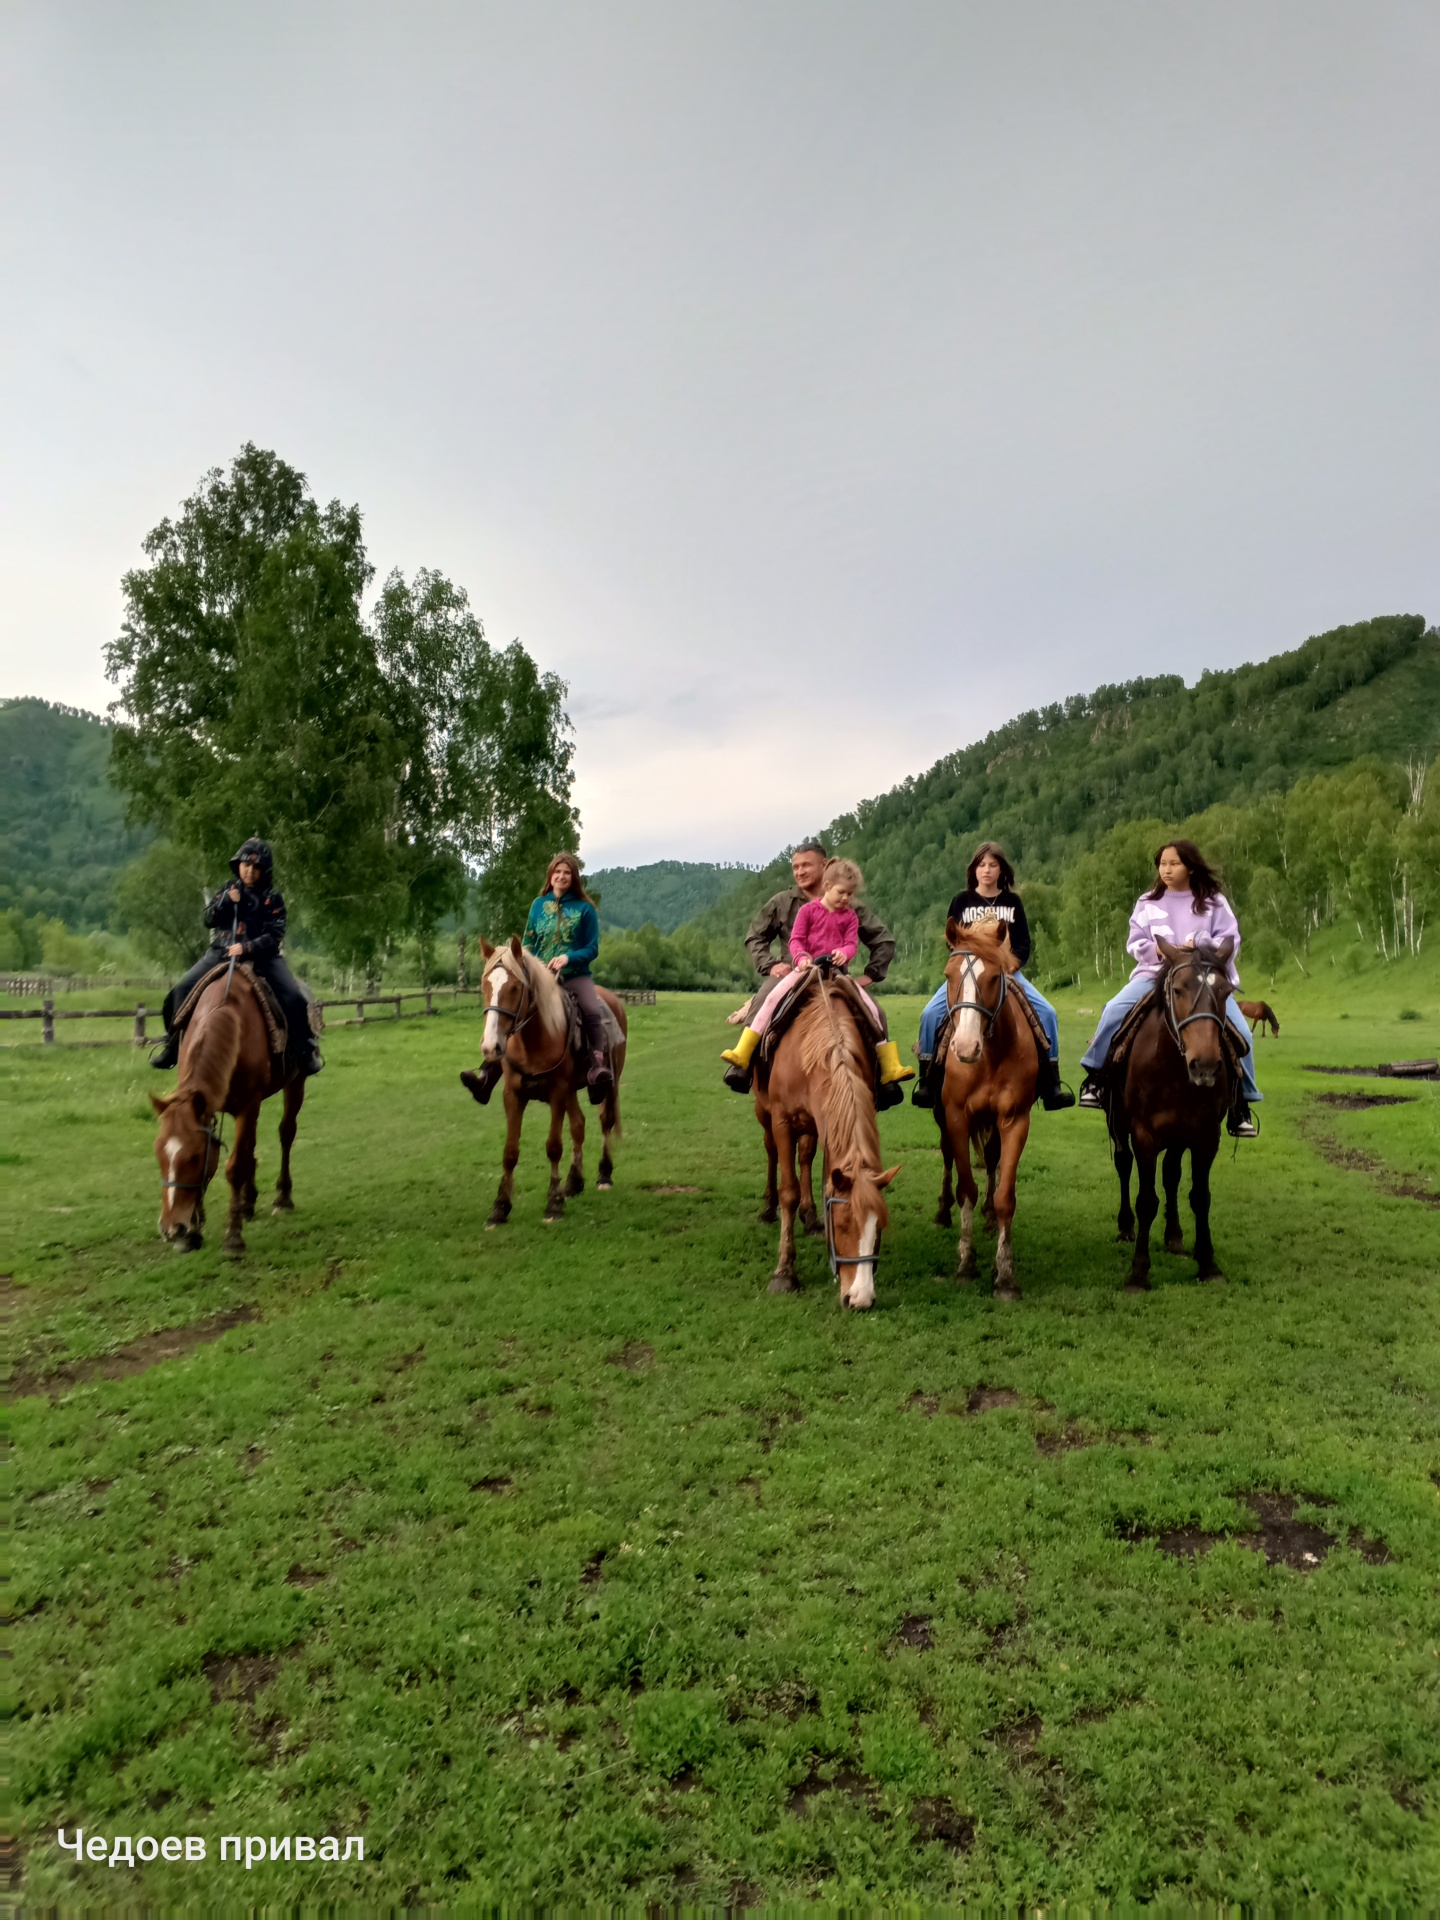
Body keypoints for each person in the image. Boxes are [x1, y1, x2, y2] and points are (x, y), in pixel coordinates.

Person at [1077, 838, 1260, 1137]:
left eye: (1174, 863)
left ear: (1190, 866)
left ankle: (1242, 1104)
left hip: (1204, 982)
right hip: (1153, 974)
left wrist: (1198, 945)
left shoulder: (1214, 902)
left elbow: (1230, 939)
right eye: (1162, 863)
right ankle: (1096, 1078)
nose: (1167, 869)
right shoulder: (1147, 902)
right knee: (1113, 1010)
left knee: (1244, 1034)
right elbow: (1135, 942)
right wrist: (1159, 951)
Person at [721, 858, 914, 1091]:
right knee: (768, 999)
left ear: (822, 868)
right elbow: (792, 939)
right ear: (828, 885)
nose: (846, 898)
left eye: (806, 865)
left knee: (875, 1011)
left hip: (837, 974)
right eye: (796, 866)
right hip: (802, 970)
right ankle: (744, 1058)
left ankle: (887, 1071)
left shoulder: (852, 913)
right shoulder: (795, 906)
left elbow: (855, 943)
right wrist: (788, 961)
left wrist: (858, 964)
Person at [912, 842, 1073, 1110]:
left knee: (1048, 1013)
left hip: (1006, 973)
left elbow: (1023, 944)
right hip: (968, 975)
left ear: (1001, 870)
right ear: (974, 870)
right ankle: (928, 1080)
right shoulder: (961, 901)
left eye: (993, 865)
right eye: (981, 865)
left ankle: (1051, 1083)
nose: (986, 870)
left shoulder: (1012, 902)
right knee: (930, 1014)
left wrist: (1010, 966)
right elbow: (952, 941)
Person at [150, 837, 321, 1076]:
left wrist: (247, 948)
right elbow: (208, 919)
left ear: (264, 870)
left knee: (294, 997)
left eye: (256, 867)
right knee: (180, 991)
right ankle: (172, 1046)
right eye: (245, 865)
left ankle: (304, 1052)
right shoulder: (227, 890)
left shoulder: (273, 899)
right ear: (238, 865)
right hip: (221, 951)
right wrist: (225, 901)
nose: (249, 871)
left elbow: (275, 935)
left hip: (264, 958)